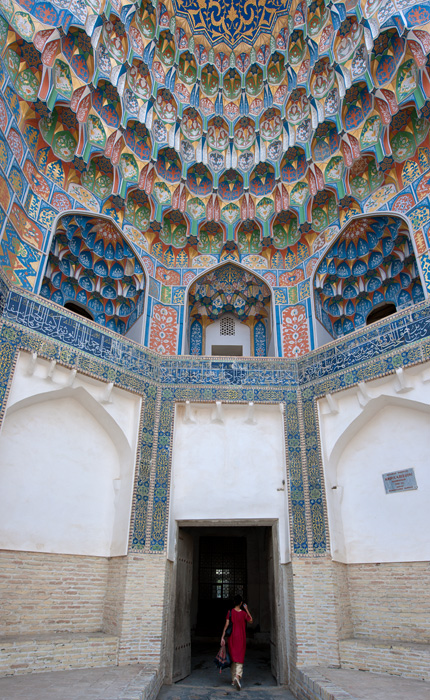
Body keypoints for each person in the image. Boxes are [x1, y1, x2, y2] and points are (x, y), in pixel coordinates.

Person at [220, 593, 253, 691]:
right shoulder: (243, 614)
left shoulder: (230, 612)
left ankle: (233, 679)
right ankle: (238, 676)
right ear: (241, 603)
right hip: (241, 638)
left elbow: (226, 625)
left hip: (232, 638)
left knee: (233, 658)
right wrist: (246, 609)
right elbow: (251, 620)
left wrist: (222, 637)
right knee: (240, 658)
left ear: (234, 602)